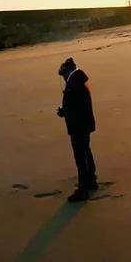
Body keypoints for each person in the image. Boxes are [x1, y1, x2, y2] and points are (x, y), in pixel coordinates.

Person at [57, 57, 98, 202]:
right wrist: (65, 111)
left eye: (63, 75)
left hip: (78, 126)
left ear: (67, 72)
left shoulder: (73, 84)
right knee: (86, 152)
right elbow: (77, 105)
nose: (63, 77)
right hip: (84, 124)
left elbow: (74, 107)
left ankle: (83, 190)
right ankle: (91, 181)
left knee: (80, 157)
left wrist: (64, 112)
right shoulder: (78, 81)